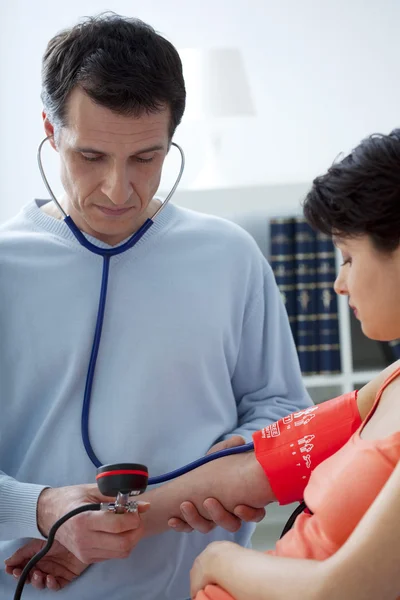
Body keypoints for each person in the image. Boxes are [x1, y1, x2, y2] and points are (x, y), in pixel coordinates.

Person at [0, 12, 312, 600]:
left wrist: (233, 465)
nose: (119, 190)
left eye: (146, 158)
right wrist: (41, 508)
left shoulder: (229, 255)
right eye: (90, 157)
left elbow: (282, 408)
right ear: (49, 129)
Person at [188, 128, 400, 599]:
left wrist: (218, 560)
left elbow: (342, 590)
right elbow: (250, 471)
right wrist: (95, 525)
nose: (338, 285)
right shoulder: (389, 384)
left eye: (348, 258)